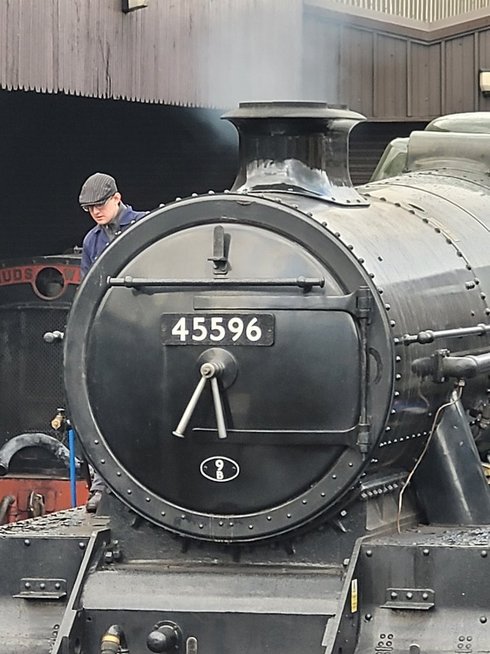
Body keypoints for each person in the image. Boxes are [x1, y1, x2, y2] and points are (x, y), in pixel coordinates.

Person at [78, 172, 147, 512]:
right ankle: (102, 486)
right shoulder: (91, 241)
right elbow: (87, 290)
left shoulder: (145, 227)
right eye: (89, 208)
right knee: (96, 408)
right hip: (109, 335)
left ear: (117, 198)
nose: (95, 212)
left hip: (144, 332)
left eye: (100, 205)